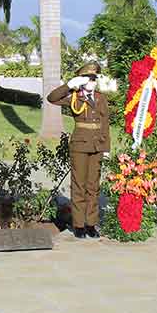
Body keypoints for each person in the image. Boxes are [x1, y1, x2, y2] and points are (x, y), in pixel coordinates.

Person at [46, 62, 111, 239]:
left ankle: (91, 224)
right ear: (82, 80)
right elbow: (51, 98)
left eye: (94, 78)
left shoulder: (100, 98)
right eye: (89, 79)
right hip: (80, 145)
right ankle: (79, 225)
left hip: (97, 145)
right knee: (79, 185)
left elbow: (105, 124)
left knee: (93, 186)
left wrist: (106, 148)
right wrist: (69, 85)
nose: (93, 82)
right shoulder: (74, 96)